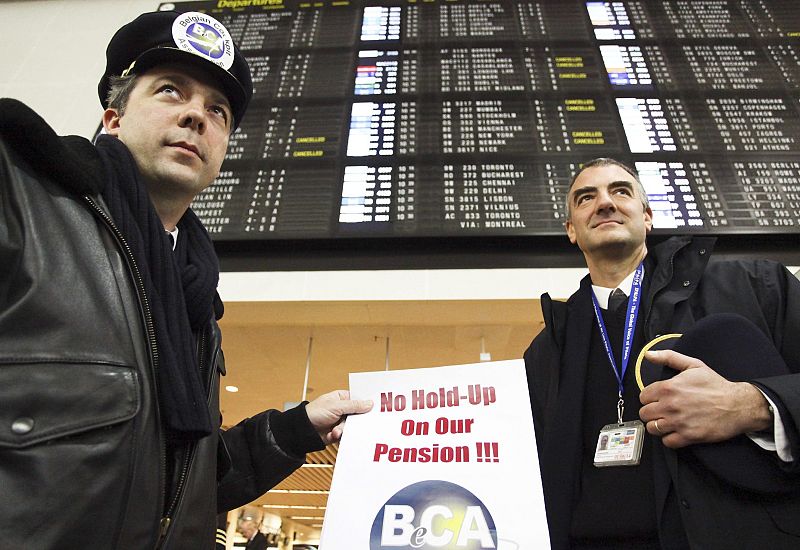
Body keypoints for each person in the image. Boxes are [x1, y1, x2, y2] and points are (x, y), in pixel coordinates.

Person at [0, 10, 371, 549]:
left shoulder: (195, 299)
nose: (197, 115)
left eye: (217, 110)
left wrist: (297, 428)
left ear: (221, 149)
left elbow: (182, 486)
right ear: (113, 118)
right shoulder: (18, 195)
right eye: (171, 91)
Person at [524, 158, 800, 549]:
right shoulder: (546, 349)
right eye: (586, 198)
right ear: (571, 229)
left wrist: (752, 406)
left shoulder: (754, 287)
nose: (605, 203)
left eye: (620, 191)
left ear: (648, 217)